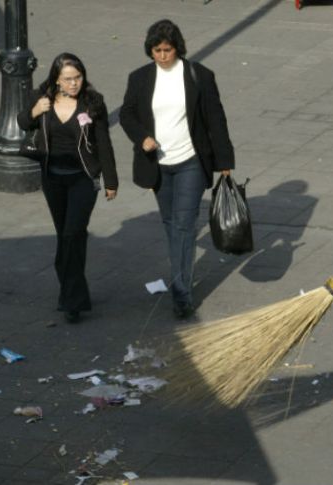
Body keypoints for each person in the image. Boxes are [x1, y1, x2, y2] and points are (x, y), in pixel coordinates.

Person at [119, 19, 235, 319]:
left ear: (177, 48)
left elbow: (215, 120)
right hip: (158, 166)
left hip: (191, 162)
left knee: (184, 226)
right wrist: (141, 137)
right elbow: (127, 113)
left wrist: (224, 163)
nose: (161, 56)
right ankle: (180, 275)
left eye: (167, 50)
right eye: (156, 50)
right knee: (171, 225)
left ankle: (181, 292)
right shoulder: (140, 78)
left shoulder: (199, 76)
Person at [17, 52, 118, 324]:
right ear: (57, 80)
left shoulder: (93, 103)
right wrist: (35, 111)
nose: (74, 83)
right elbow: (23, 122)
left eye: (78, 77)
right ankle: (70, 289)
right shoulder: (43, 97)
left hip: (83, 179)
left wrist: (111, 180)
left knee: (74, 233)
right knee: (65, 236)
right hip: (53, 178)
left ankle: (73, 301)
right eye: (68, 79)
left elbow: (103, 142)